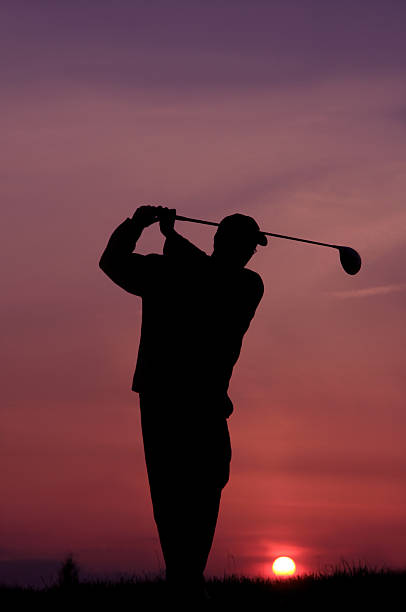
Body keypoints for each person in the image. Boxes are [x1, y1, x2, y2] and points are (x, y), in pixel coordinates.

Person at [99, 205, 267, 602]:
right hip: (171, 400)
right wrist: (138, 226)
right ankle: (186, 580)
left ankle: (186, 577)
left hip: (191, 401)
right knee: (174, 491)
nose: (250, 255)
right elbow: (111, 263)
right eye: (247, 246)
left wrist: (165, 234)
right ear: (227, 244)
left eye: (251, 248)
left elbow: (208, 278)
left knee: (204, 484)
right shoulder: (176, 270)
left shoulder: (245, 285)